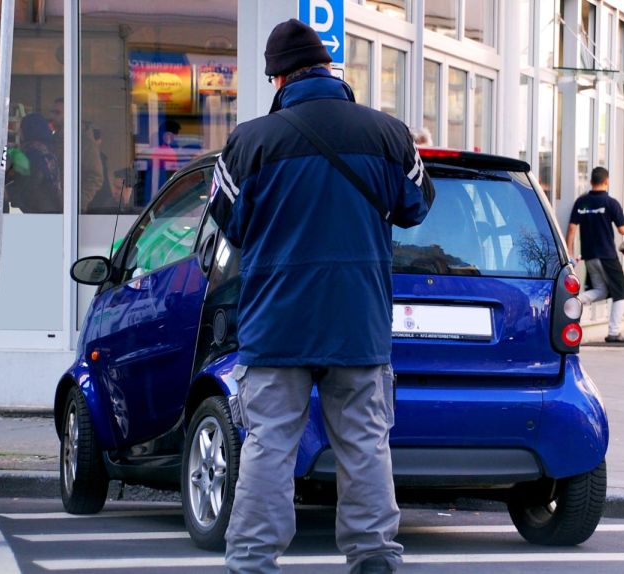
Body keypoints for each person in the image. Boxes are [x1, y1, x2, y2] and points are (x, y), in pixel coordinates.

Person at [207, 19, 434, 574]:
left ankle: (252, 562)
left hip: (276, 323)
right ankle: (374, 557)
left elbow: (227, 221)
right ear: (329, 70)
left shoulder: (249, 142)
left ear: (278, 79)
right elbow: (418, 204)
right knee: (364, 445)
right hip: (357, 323)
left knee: (268, 446)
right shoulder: (388, 134)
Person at [566, 166, 624, 343]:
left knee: (601, 291)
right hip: (607, 256)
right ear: (606, 181)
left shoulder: (582, 202)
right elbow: (623, 229)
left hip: (590, 256)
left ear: (591, 182)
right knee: (620, 292)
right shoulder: (610, 203)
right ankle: (614, 332)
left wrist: (569, 251)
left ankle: (573, 302)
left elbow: (572, 228)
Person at [6, 112, 62, 213]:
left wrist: (8, 192)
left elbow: (30, 182)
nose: (19, 132)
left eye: (21, 129)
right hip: (51, 208)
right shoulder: (47, 150)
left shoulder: (32, 152)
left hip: (36, 211)